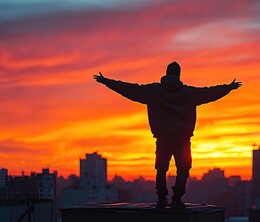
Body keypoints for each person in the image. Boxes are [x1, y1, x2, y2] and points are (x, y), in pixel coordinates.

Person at [94, 61, 242, 209]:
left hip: (163, 138)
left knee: (161, 169)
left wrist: (106, 81)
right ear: (179, 75)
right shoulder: (189, 93)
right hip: (182, 139)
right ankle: (177, 199)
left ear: (166, 73)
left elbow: (129, 89)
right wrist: (228, 87)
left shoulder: (153, 91)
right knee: (183, 169)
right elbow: (210, 93)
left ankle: (162, 200)